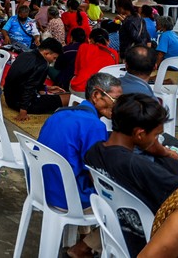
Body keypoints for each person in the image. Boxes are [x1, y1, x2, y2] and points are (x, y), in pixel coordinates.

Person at [86, 94, 178, 256]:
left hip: (120, 224)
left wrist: (158, 149)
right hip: (154, 233)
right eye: (156, 135)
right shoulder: (137, 166)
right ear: (139, 134)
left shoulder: (95, 151)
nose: (157, 140)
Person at [36, 73, 121, 258]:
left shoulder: (60, 113)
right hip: (68, 198)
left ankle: (83, 238)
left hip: (42, 188)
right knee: (125, 206)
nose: (118, 106)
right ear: (97, 95)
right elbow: (96, 175)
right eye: (116, 99)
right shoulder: (93, 126)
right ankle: (85, 247)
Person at [3, 38, 69, 122]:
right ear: (46, 53)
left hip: (9, 99)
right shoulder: (42, 65)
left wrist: (46, 88)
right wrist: (23, 110)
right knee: (68, 97)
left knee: (51, 95)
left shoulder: (24, 54)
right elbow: (29, 87)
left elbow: (23, 80)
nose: (53, 61)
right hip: (23, 104)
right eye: (54, 58)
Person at [70, 28, 119, 95]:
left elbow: (76, 72)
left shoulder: (83, 47)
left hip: (79, 89)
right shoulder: (114, 53)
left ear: (90, 40)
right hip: (100, 94)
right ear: (108, 42)